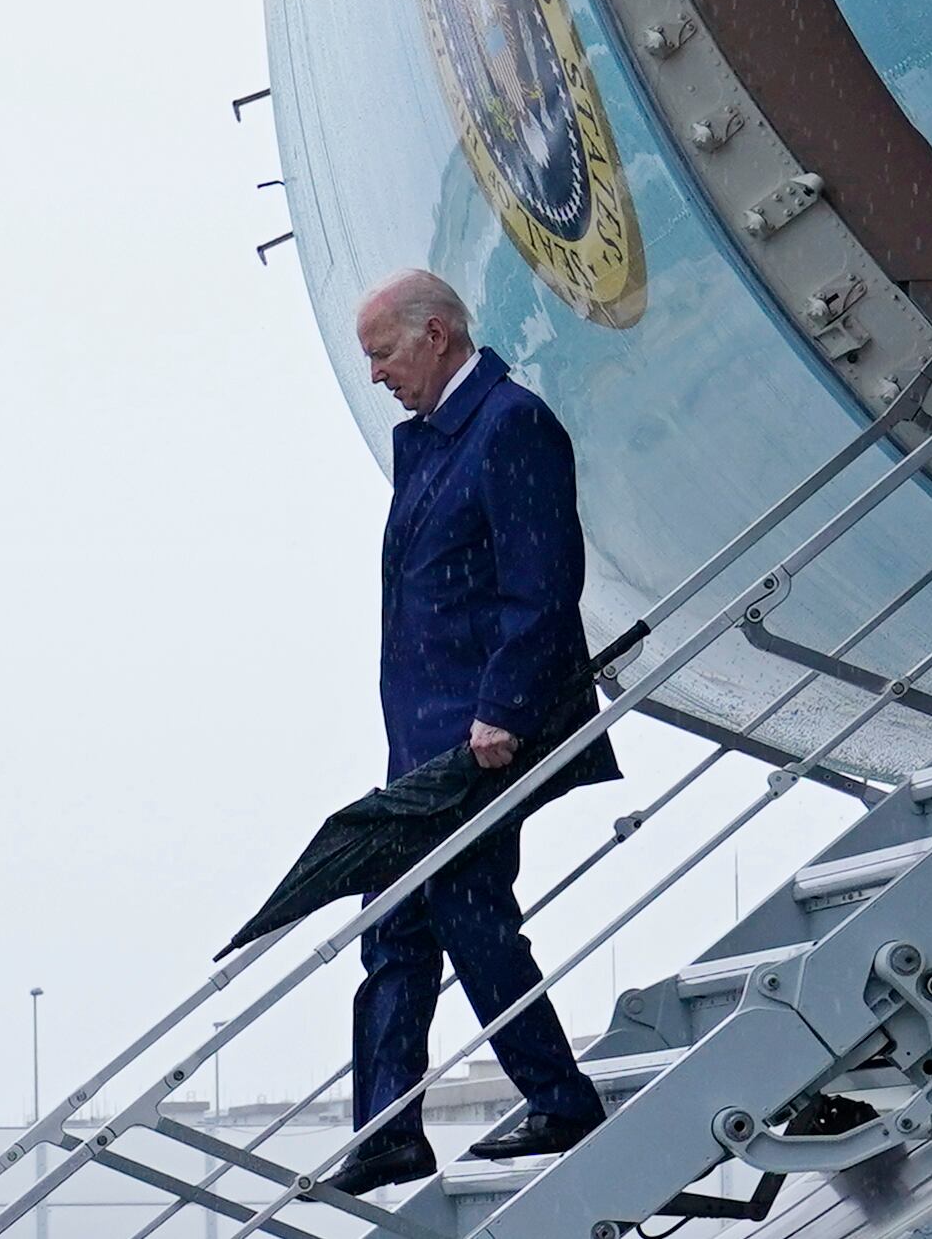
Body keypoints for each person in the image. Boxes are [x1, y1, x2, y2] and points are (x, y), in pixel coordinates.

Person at [320, 269, 616, 1197]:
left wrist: (505, 707)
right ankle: (388, 1127)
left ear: (437, 334)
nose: (375, 374)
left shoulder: (507, 424)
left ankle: (560, 1099)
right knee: (395, 915)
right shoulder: (436, 441)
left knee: (462, 905)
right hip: (426, 738)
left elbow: (542, 579)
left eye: (383, 353)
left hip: (485, 732)